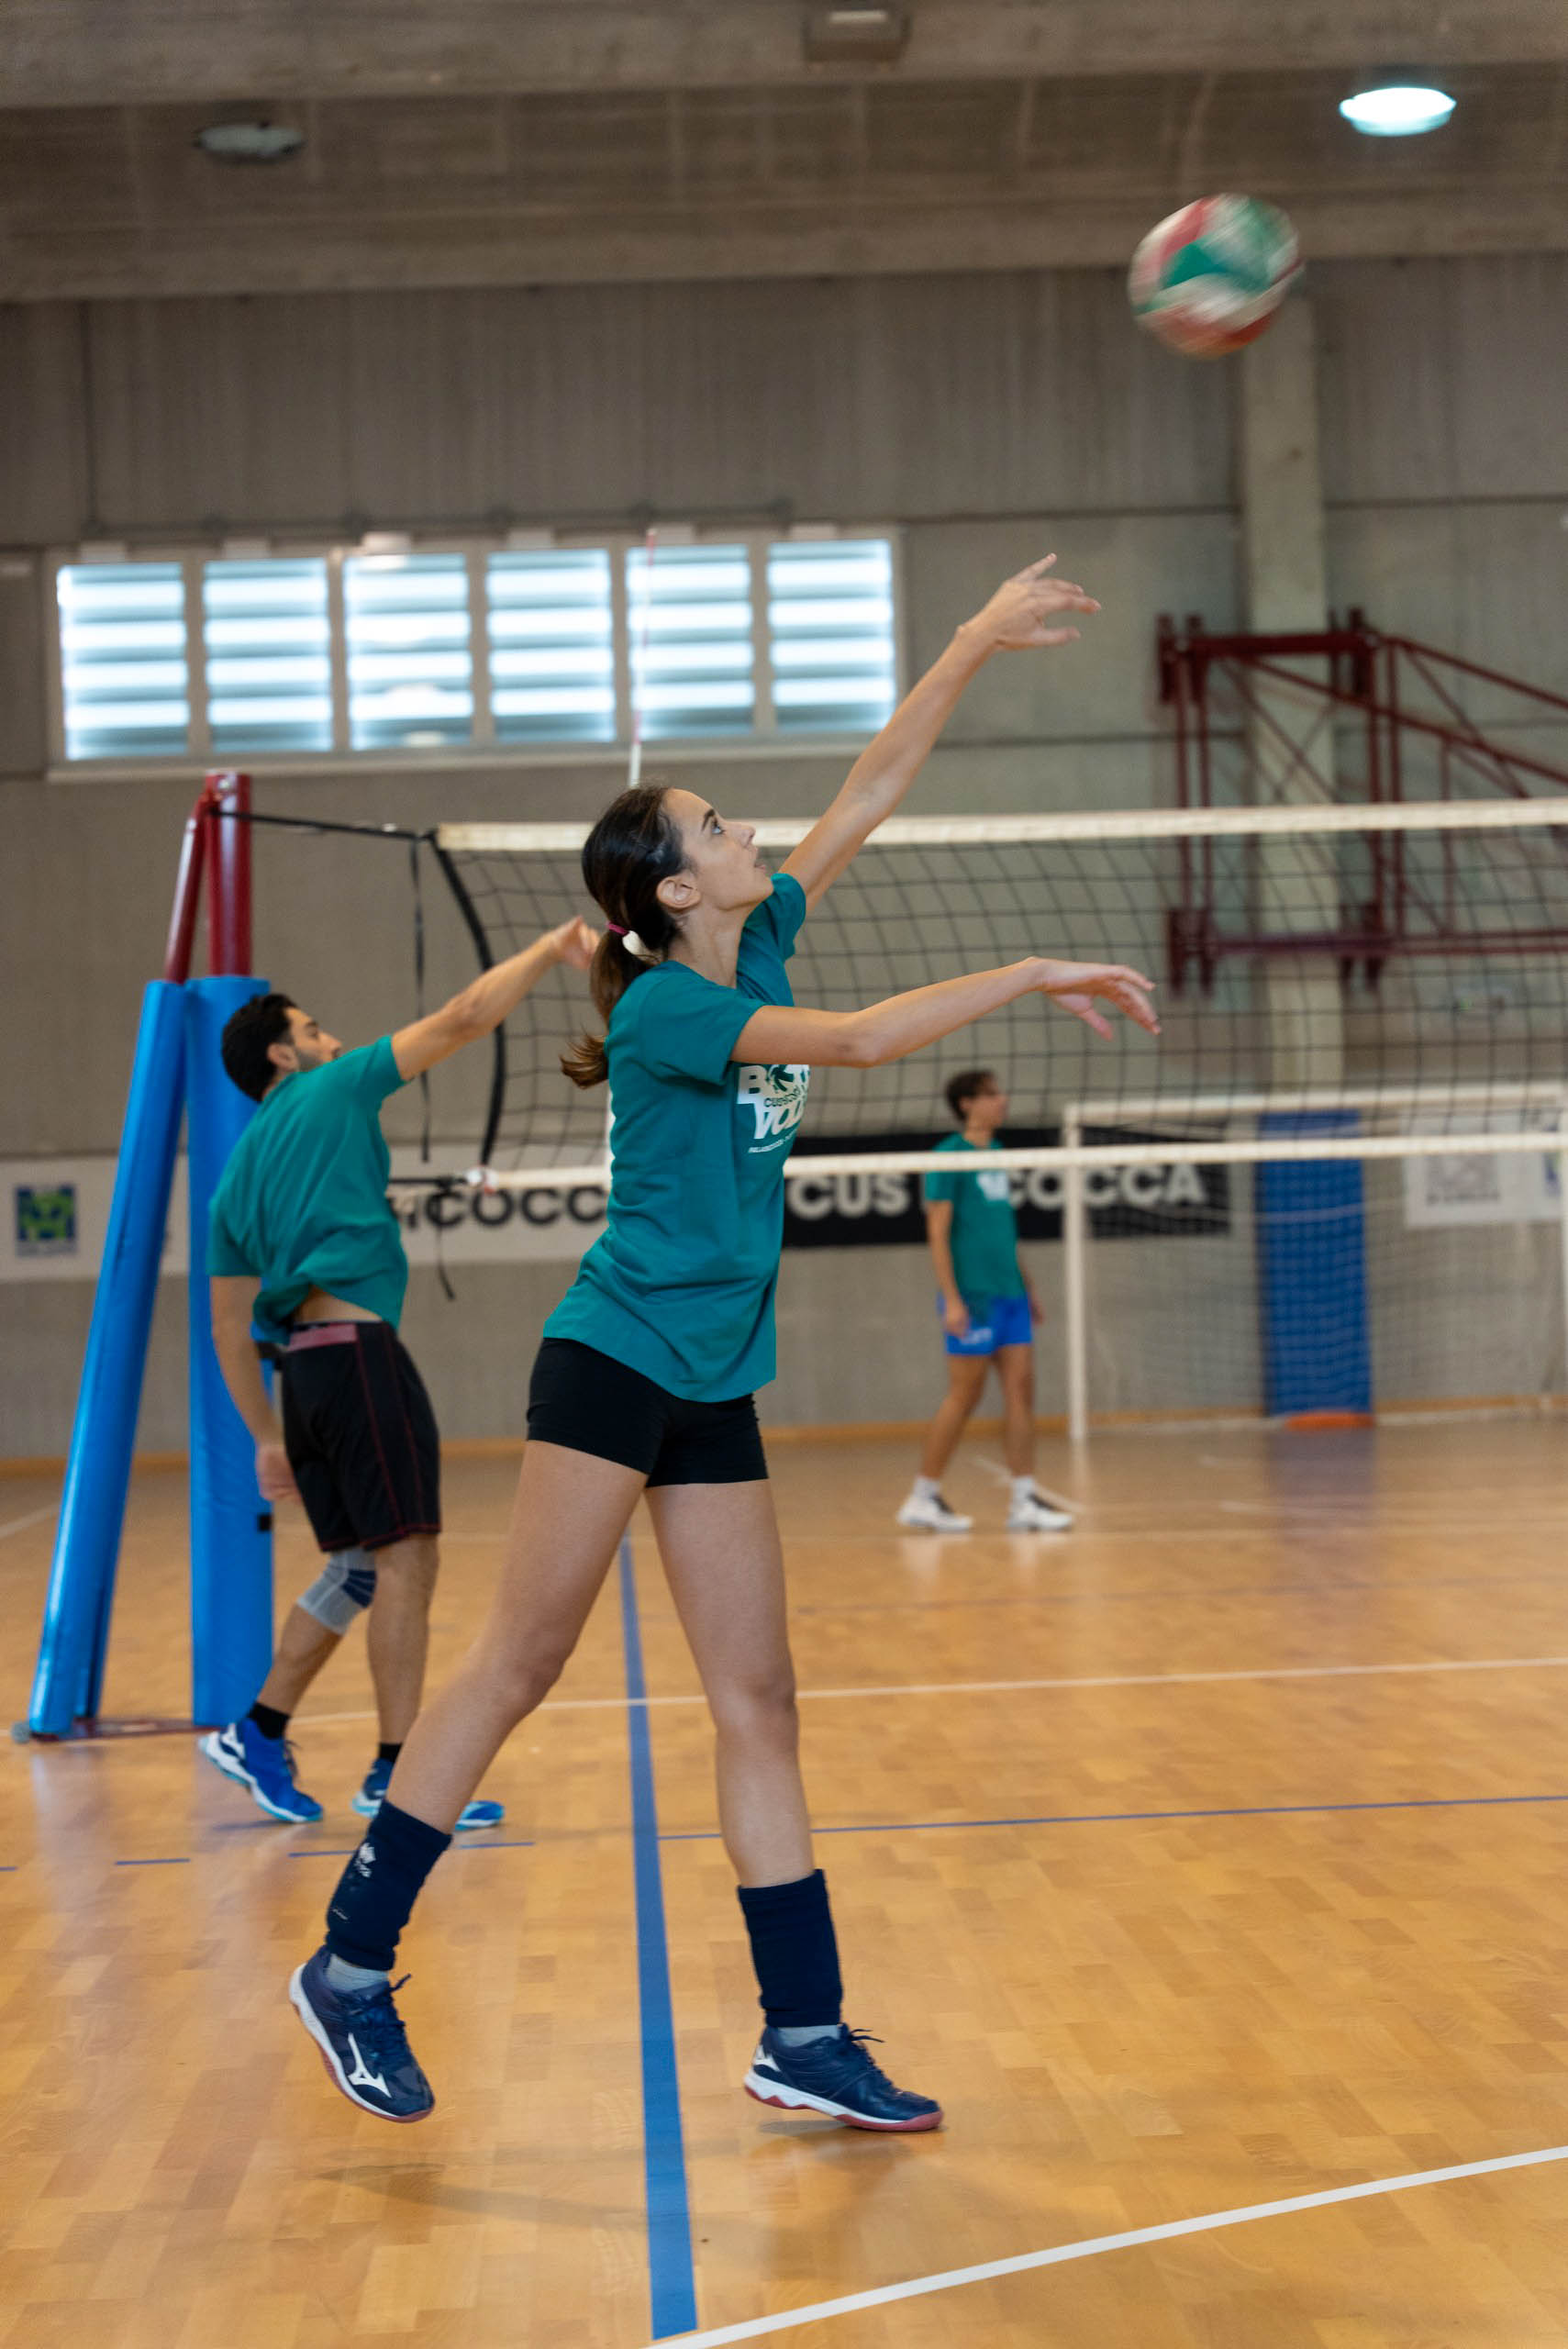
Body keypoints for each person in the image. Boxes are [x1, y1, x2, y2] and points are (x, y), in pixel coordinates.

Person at [288, 555, 1158, 2131]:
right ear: (673, 890)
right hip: (614, 1360)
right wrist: (1036, 969)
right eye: (714, 827)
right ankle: (349, 1967)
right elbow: (866, 1040)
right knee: (519, 1664)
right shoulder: (664, 1013)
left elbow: (869, 790)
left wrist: (970, 636)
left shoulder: (749, 943)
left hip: (713, 1379)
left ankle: (801, 2034)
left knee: (759, 1697)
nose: (745, 830)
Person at [198, 916, 596, 1830]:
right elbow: (462, 1017)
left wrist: (265, 1435)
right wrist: (547, 949)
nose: (333, 1038)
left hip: (301, 1378)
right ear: (284, 1056)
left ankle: (257, 1730)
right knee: (408, 1558)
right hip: (356, 1359)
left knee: (353, 1568)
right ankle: (397, 1775)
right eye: (313, 1029)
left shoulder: (235, 1178)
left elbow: (225, 1323)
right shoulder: (335, 1086)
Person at [896, 1068, 1073, 1535]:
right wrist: (952, 1299)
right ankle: (922, 1497)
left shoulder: (996, 1152)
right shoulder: (948, 1156)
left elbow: (1001, 1231)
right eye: (992, 1094)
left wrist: (1028, 1286)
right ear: (967, 1104)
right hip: (972, 1298)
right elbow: (937, 1232)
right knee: (964, 1395)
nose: (1002, 1100)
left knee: (1021, 1392)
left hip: (1010, 1294)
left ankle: (1024, 1501)